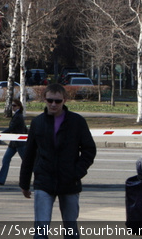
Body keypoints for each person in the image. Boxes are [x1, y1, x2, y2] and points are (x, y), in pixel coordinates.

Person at [19, 83, 96, 238]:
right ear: (44, 99)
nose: (53, 104)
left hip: (69, 182)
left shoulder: (77, 122)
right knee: (41, 230)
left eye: (58, 101)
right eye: (50, 100)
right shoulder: (38, 122)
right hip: (44, 181)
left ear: (65, 100)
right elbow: (29, 154)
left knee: (70, 229)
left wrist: (77, 172)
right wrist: (24, 183)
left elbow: (89, 150)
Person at [0, 98, 27, 185]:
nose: (13, 107)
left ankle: (38, 178)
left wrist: (0, 134)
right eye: (12, 105)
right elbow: (24, 128)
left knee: (26, 162)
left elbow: (12, 128)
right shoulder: (17, 115)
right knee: (6, 159)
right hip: (14, 143)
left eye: (14, 105)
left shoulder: (18, 116)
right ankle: (0, 180)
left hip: (19, 143)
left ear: (19, 106)